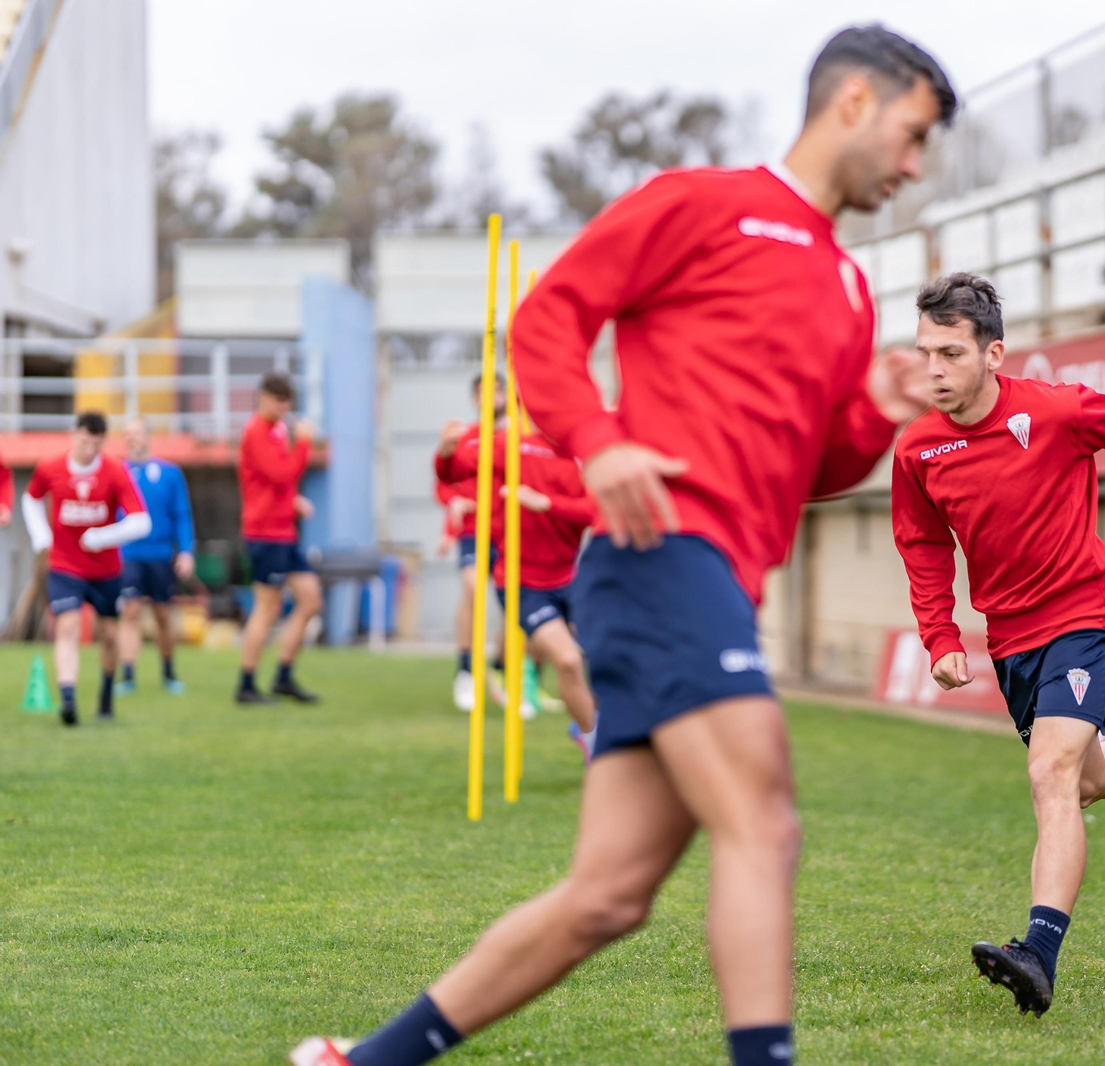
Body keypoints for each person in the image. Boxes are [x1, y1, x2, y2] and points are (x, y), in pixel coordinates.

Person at [291, 24, 954, 1066]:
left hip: (713, 581)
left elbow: (811, 468)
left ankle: (361, 1062)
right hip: (659, 557)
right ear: (855, 104)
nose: (915, 167)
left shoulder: (847, 284)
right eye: (913, 136)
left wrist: (876, 407)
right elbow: (544, 324)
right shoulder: (701, 203)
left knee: (607, 896)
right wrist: (597, 444)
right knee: (765, 822)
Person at [889, 273, 1105, 1016]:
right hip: (1011, 644)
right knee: (1083, 779)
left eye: (952, 354)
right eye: (926, 353)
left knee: (1049, 774)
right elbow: (923, 546)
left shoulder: (1054, 411)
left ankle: (1038, 954)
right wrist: (939, 635)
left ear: (993, 354)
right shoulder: (917, 449)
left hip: (1084, 621)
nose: (935, 370)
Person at [436, 416, 599, 755]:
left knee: (606, 658)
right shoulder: (513, 445)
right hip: (522, 582)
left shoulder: (586, 454)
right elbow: (454, 472)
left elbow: (596, 512)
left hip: (571, 577)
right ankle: (594, 740)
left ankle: (586, 720)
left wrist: (546, 503)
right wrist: (447, 452)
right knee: (568, 660)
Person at [20, 411, 149, 725]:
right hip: (64, 566)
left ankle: (106, 696)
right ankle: (68, 700)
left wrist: (102, 537)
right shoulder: (50, 467)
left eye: (96, 443)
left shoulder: (115, 471)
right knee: (67, 626)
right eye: (84, 441)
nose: (89, 449)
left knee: (109, 634)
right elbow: (31, 499)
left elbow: (141, 521)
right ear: (74, 434)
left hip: (106, 570)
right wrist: (41, 537)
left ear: (103, 442)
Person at [237, 372, 322, 705]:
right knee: (267, 607)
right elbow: (281, 473)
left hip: (285, 531)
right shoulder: (255, 431)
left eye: (287, 403)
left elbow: (276, 481)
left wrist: (292, 501)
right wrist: (304, 444)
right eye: (278, 401)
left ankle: (283, 677)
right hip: (265, 533)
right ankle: (246, 684)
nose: (284, 408)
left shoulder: (278, 429)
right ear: (263, 397)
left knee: (310, 599)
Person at [436, 374, 508, 714]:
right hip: (473, 531)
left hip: (511, 532)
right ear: (474, 399)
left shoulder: (517, 436)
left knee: (517, 606)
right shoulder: (465, 437)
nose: (491, 396)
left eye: (497, 390)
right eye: (483, 391)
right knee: (472, 590)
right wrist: (452, 505)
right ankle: (465, 670)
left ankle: (501, 669)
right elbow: (443, 481)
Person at [115, 418, 196, 696]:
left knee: (162, 613)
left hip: (160, 554)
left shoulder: (169, 472)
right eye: (127, 434)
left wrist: (186, 551)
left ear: (148, 436)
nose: (132, 439)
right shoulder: (118, 471)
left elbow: (182, 515)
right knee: (130, 611)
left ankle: (169, 672)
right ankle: (128, 675)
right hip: (128, 554)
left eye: (136, 433)